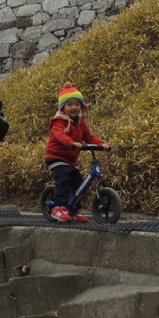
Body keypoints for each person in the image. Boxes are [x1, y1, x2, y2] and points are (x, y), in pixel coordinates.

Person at [45, 82, 110, 222]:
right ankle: (59, 207)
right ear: (63, 107)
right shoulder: (59, 121)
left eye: (77, 104)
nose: (74, 107)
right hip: (56, 157)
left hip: (70, 159)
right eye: (69, 105)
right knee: (64, 179)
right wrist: (71, 143)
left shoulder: (81, 122)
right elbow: (60, 135)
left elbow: (89, 137)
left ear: (81, 106)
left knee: (78, 183)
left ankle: (73, 210)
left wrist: (101, 144)